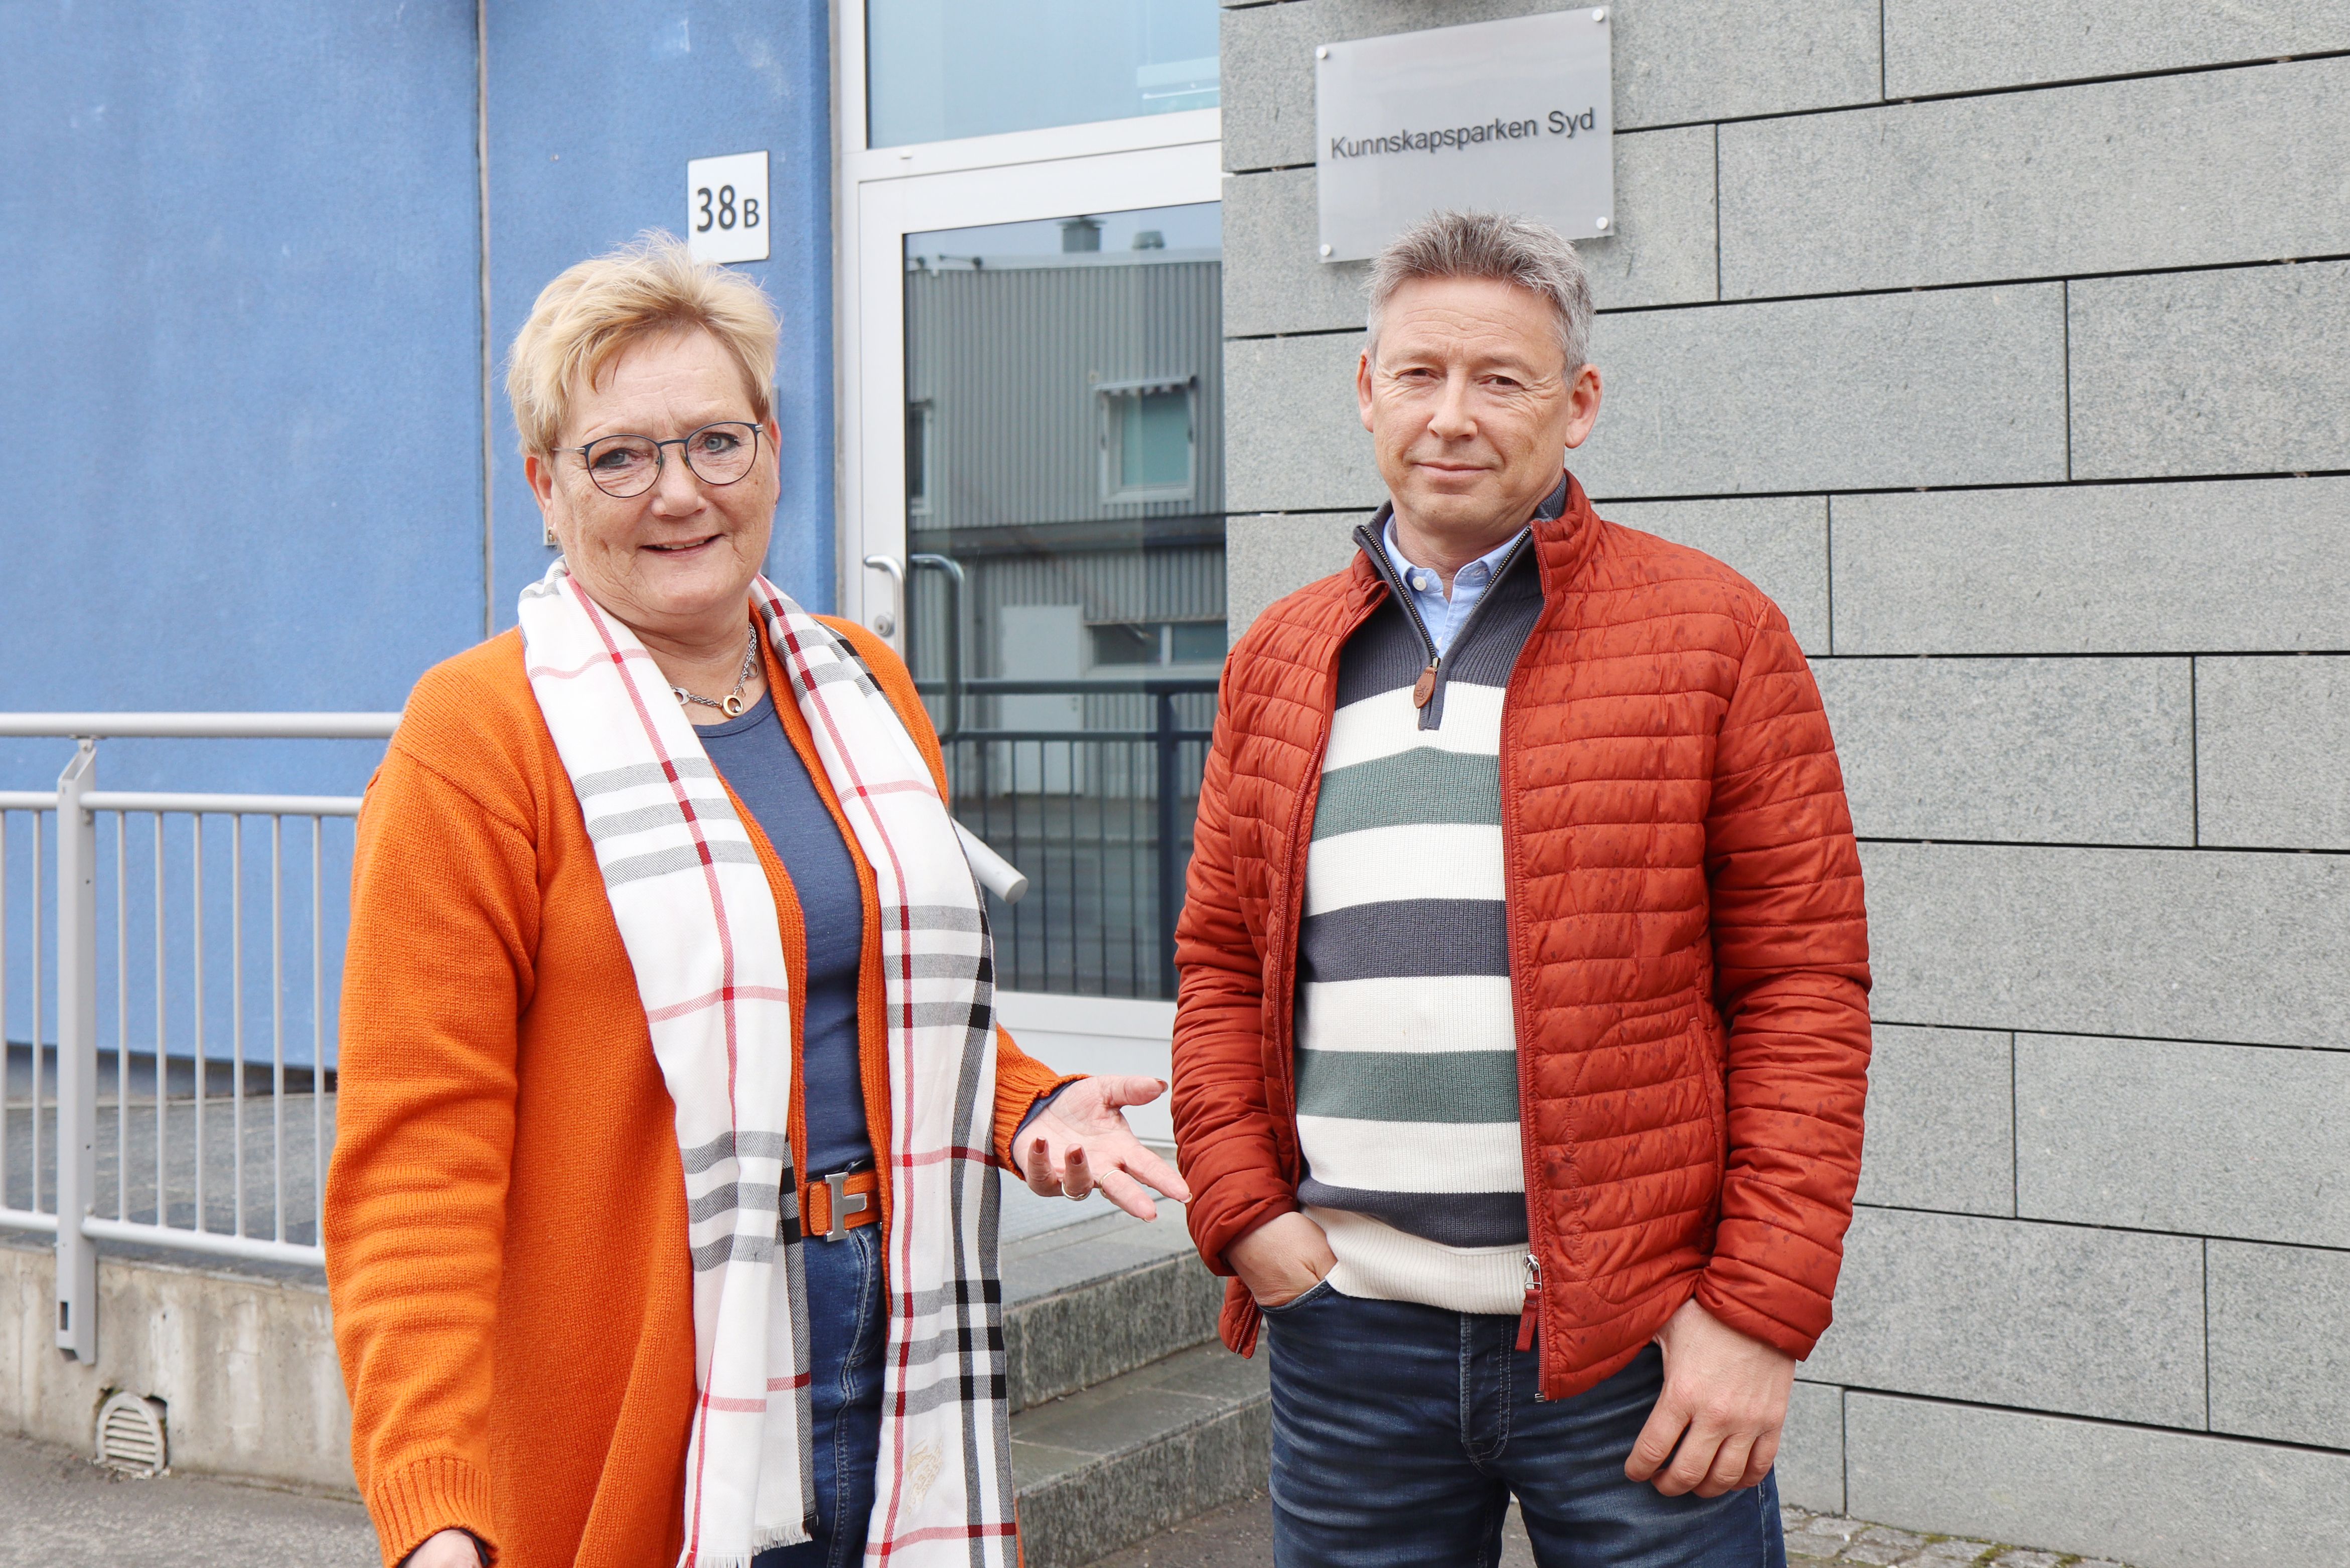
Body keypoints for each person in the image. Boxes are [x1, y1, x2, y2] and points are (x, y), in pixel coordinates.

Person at [325, 235, 1187, 1568]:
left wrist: (1020, 1100)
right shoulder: (477, 736)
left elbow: (876, 1001)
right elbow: (413, 1161)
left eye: (716, 443)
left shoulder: (860, 684)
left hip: (895, 1322)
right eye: (620, 457)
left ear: (772, 450)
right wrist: (435, 1505)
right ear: (547, 487)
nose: (679, 493)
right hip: (651, 1370)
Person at [1170, 210, 1871, 1567]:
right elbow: (1219, 962)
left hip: (1632, 1345)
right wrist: (1245, 1215)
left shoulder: (1714, 634)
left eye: (1500, 379)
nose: (1453, 416)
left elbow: (1803, 991)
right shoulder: (1280, 657)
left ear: (1578, 403)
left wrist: (1756, 1314)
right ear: (1365, 389)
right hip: (1347, 1339)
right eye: (1419, 374)